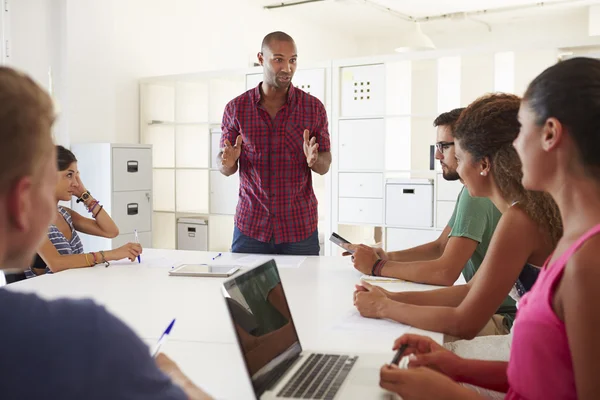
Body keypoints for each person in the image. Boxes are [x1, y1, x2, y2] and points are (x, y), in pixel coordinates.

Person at [378, 57, 600, 400]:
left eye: (521, 130)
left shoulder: (588, 260)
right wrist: (453, 366)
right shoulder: (573, 238)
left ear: (551, 134)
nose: (514, 146)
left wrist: (449, 394)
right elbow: (539, 374)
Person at [0, 66, 211, 399]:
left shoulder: (67, 214)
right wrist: (178, 379)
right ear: (21, 200)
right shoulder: (83, 335)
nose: (73, 182)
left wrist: (83, 192)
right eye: (53, 177)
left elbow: (109, 229)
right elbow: (60, 263)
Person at [354, 93, 562, 340]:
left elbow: (465, 321)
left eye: (460, 158)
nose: (460, 170)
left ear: (484, 164)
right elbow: (470, 289)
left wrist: (383, 305)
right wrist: (390, 297)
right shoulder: (527, 207)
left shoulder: (518, 219)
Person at [218, 31, 331, 255]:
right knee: (247, 291)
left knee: (303, 291)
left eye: (293, 60)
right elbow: (225, 165)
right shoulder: (236, 108)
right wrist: (228, 162)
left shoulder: (313, 108)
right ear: (261, 59)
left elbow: (325, 164)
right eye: (278, 59)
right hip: (251, 228)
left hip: (299, 228)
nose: (287, 68)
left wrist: (314, 160)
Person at [27, 145, 142, 276]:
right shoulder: (31, 217)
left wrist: (85, 195)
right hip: (46, 294)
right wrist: (111, 254)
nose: (76, 183)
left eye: (77, 176)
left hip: (72, 288)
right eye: (69, 175)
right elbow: (56, 263)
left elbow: (110, 231)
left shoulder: (64, 213)